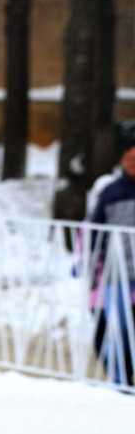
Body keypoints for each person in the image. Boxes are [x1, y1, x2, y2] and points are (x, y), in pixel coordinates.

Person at [88, 121, 135, 389]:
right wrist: (95, 266)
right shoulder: (111, 192)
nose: (133, 163)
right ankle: (120, 378)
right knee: (115, 326)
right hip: (117, 272)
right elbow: (96, 230)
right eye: (129, 158)